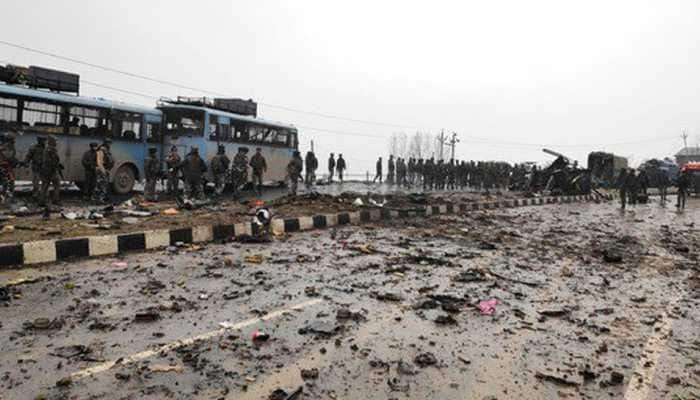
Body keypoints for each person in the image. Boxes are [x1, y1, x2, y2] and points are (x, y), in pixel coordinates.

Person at [39, 136, 62, 207]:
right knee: (56, 185)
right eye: (55, 141)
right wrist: (57, 165)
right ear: (52, 142)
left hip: (46, 170)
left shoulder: (47, 149)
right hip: (51, 171)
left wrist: (59, 164)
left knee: (45, 186)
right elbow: (51, 161)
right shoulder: (51, 149)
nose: (56, 142)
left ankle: (42, 201)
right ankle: (55, 200)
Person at [24, 136, 46, 200]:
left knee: (45, 182)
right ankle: (35, 194)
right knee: (36, 181)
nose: (44, 141)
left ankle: (43, 195)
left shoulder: (46, 147)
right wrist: (26, 162)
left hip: (45, 168)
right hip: (36, 167)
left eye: (45, 140)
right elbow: (28, 156)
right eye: (43, 140)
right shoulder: (33, 147)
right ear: (39, 140)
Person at [94, 139, 114, 203]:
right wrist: (103, 171)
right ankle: (99, 199)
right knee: (101, 185)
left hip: (105, 169)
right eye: (109, 143)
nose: (110, 145)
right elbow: (99, 162)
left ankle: (100, 198)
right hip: (101, 169)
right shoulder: (101, 150)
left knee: (103, 184)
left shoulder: (106, 150)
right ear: (106, 143)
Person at [0, 133, 19, 202]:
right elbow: (8, 157)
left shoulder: (9, 146)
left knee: (9, 182)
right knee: (8, 182)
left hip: (7, 167)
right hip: (4, 167)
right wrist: (15, 161)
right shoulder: (6, 146)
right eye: (13, 139)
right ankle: (6, 198)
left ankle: (7, 197)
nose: (14, 140)